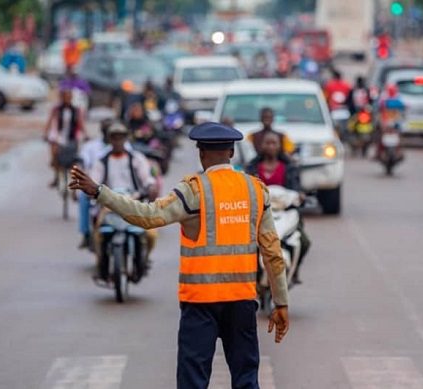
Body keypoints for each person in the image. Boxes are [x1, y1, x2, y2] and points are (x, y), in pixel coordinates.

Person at [69, 122, 289, 389]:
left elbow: (147, 216)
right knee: (246, 381)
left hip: (200, 305)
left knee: (192, 383)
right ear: (231, 152)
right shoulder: (256, 190)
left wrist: (98, 192)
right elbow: (272, 252)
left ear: (201, 153)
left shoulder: (193, 191)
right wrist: (281, 303)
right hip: (242, 303)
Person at [88, 123, 159, 285]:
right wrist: (93, 192)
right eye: (114, 137)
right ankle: (101, 265)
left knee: (151, 235)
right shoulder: (101, 161)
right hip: (109, 206)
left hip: (135, 203)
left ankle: (144, 260)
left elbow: (147, 178)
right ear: (109, 140)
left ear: (126, 139)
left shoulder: (137, 159)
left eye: (121, 137)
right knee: (98, 235)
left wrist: (150, 186)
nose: (118, 141)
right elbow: (95, 181)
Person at [245, 131, 310, 284]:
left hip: (285, 213)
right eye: (267, 142)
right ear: (261, 146)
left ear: (279, 146)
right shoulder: (252, 168)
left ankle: (294, 271)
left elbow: (296, 188)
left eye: (274, 143)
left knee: (305, 241)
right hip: (259, 214)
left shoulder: (290, 168)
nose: (270, 146)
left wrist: (300, 196)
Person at [76, 118, 113, 249]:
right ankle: (86, 234)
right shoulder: (91, 147)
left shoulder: (124, 146)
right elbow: (83, 162)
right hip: (94, 186)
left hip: (116, 187)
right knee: (83, 198)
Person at [43, 89, 85, 187]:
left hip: (72, 136)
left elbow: (80, 123)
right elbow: (50, 121)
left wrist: (86, 134)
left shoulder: (76, 110)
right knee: (55, 150)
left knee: (74, 159)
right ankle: (56, 176)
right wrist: (45, 133)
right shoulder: (57, 109)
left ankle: (75, 184)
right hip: (59, 135)